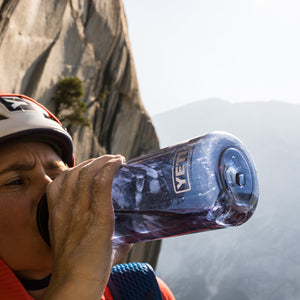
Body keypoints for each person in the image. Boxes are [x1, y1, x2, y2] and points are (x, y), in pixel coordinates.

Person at [0, 92, 175, 300]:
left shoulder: (141, 289)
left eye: (57, 173)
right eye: (15, 181)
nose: (50, 186)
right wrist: (80, 284)